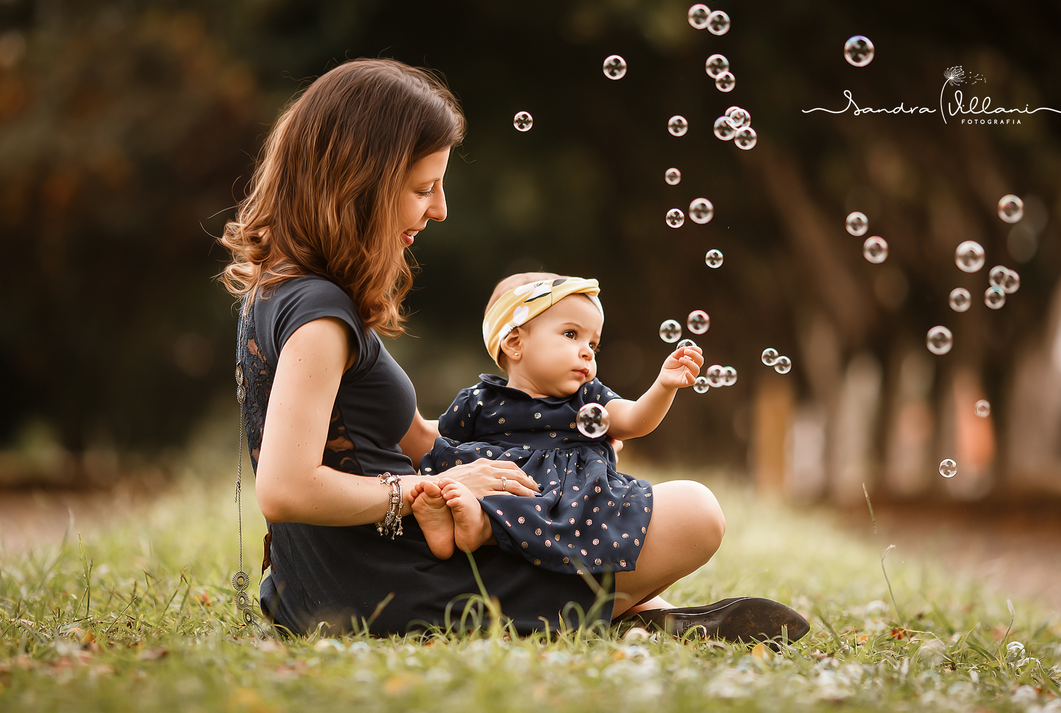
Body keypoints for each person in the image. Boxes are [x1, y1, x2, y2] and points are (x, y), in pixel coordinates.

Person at [219, 56, 809, 643]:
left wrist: (547, 456)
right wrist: (426, 491)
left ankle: (623, 612)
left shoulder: (284, 293)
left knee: (604, 519)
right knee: (695, 513)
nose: (440, 208)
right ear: (358, 184)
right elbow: (287, 488)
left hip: (334, 583)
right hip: (386, 586)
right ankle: (614, 613)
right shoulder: (320, 315)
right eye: (423, 187)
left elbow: (421, 442)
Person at [406, 272, 702, 580]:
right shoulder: (477, 401)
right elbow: (439, 446)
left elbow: (634, 420)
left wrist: (664, 386)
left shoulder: (589, 397)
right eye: (572, 334)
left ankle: (481, 527)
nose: (587, 350)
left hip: (569, 502)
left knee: (575, 504)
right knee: (462, 468)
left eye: (594, 344)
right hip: (507, 485)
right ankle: (448, 513)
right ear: (514, 343)